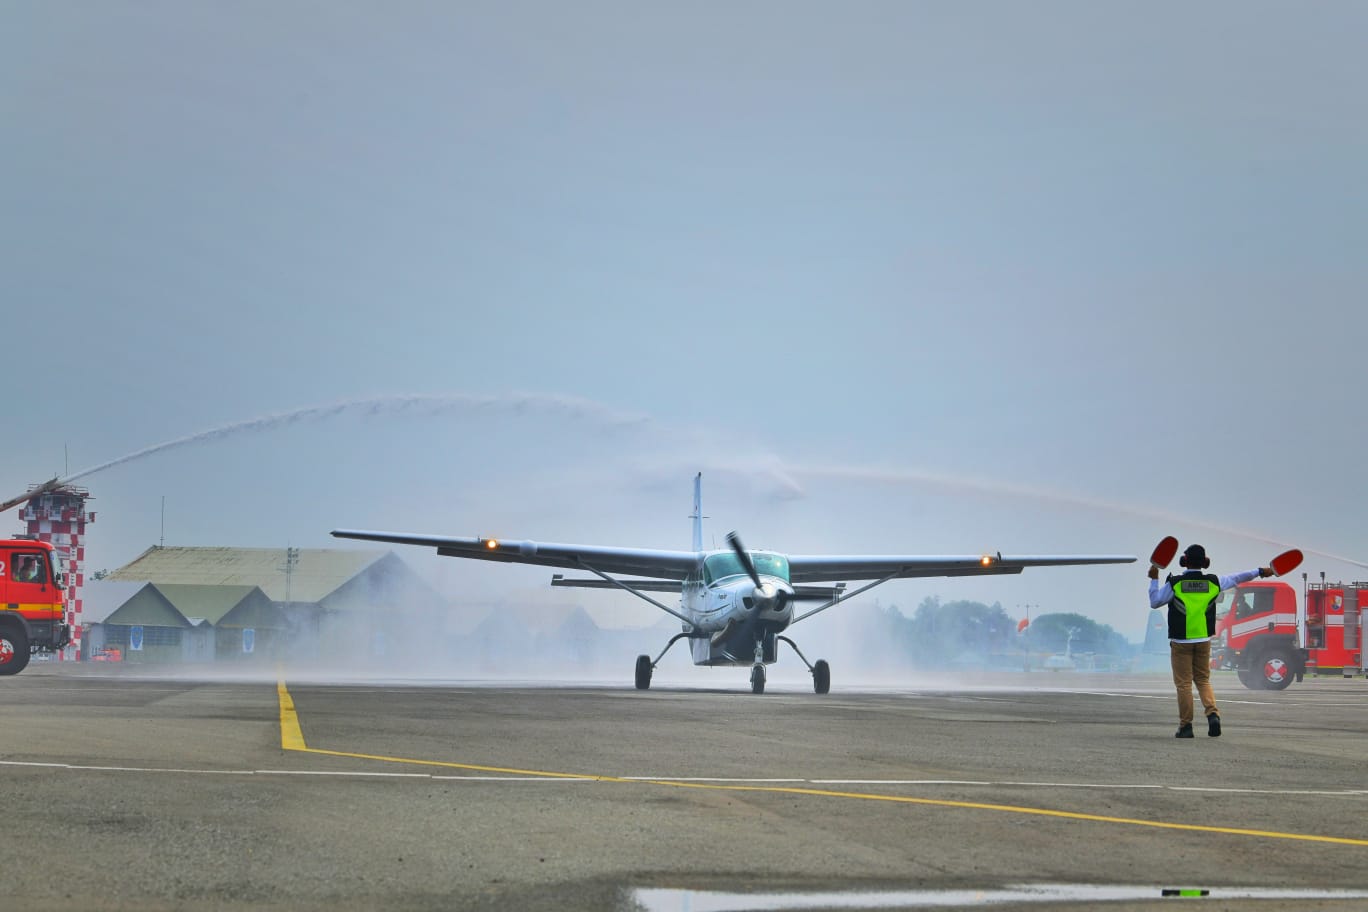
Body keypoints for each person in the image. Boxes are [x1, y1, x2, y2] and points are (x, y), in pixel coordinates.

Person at [1149, 544, 1272, 738]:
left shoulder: (1175, 583)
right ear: (1205, 562)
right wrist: (1261, 571)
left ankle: (1186, 726)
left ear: (1184, 561)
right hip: (1204, 639)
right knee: (1203, 680)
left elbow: (1155, 602)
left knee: (1184, 685)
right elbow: (1240, 576)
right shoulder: (1214, 582)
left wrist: (1154, 578)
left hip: (1181, 641)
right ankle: (1213, 714)